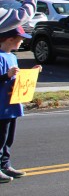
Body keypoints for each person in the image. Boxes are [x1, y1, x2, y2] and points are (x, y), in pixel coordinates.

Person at [0, 26, 33, 182]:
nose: (22, 42)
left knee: (8, 139)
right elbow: (5, 77)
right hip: (2, 106)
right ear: (10, 39)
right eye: (20, 39)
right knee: (0, 138)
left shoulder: (12, 56)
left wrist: (31, 73)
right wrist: (6, 75)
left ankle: (5, 165)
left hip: (12, 104)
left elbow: (16, 78)